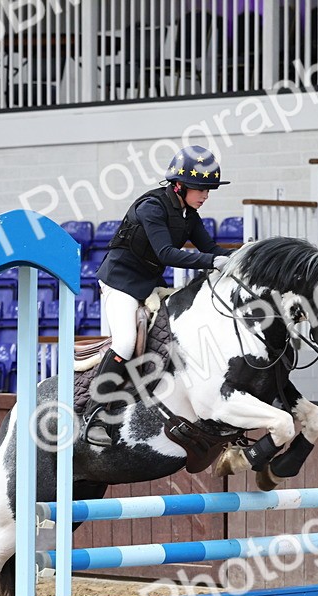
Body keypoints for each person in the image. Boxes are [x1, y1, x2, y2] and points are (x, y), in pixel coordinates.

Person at [85, 144, 234, 444]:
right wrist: (212, 262)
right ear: (179, 185)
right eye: (201, 189)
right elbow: (167, 253)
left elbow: (211, 249)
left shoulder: (188, 214)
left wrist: (241, 257)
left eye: (208, 190)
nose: (205, 196)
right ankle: (96, 413)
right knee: (126, 341)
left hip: (149, 285)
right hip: (120, 283)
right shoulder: (151, 207)